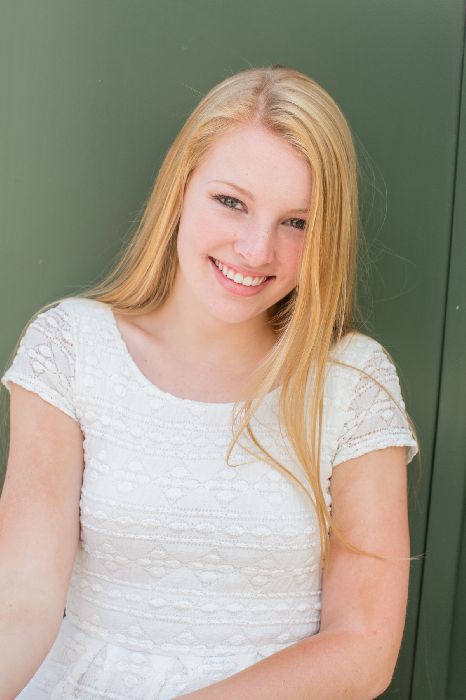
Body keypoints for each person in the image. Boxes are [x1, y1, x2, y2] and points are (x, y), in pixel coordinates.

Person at [0, 64, 420, 700]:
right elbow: (22, 596)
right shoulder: (71, 346)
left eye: (297, 222)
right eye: (231, 202)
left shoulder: (352, 380)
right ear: (180, 189)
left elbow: (363, 646)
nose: (256, 249)